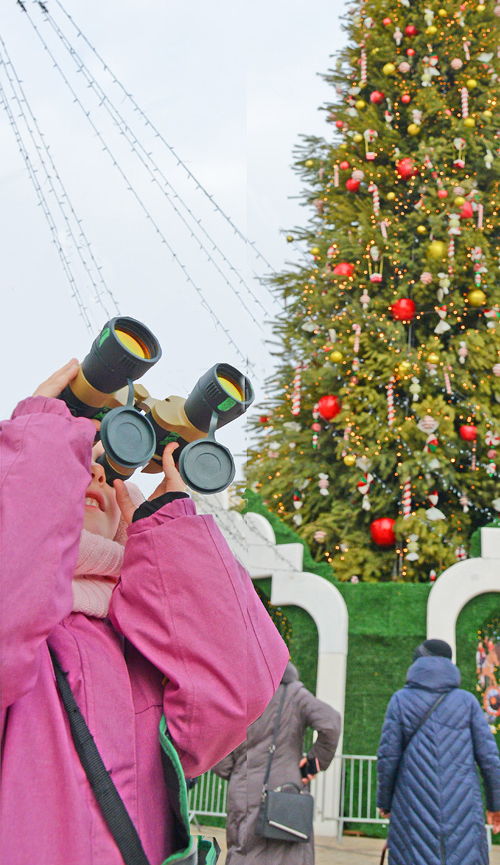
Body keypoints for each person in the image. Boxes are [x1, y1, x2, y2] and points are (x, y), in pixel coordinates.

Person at [0, 359, 289, 864]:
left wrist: (165, 526)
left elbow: (230, 696)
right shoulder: (22, 628)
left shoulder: (135, 645)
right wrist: (44, 438)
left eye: (109, 468)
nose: (93, 469)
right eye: (79, 458)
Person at [376, 638, 500, 865]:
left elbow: (388, 759)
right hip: (463, 809)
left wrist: (386, 803)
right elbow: (489, 759)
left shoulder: (400, 701)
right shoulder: (467, 702)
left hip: (412, 807)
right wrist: (496, 806)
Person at [212, 659, 341, 862]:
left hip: (245, 788)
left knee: (244, 853)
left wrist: (235, 770)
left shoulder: (239, 693)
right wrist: (311, 766)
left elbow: (217, 740)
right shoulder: (294, 694)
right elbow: (330, 723)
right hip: (287, 790)